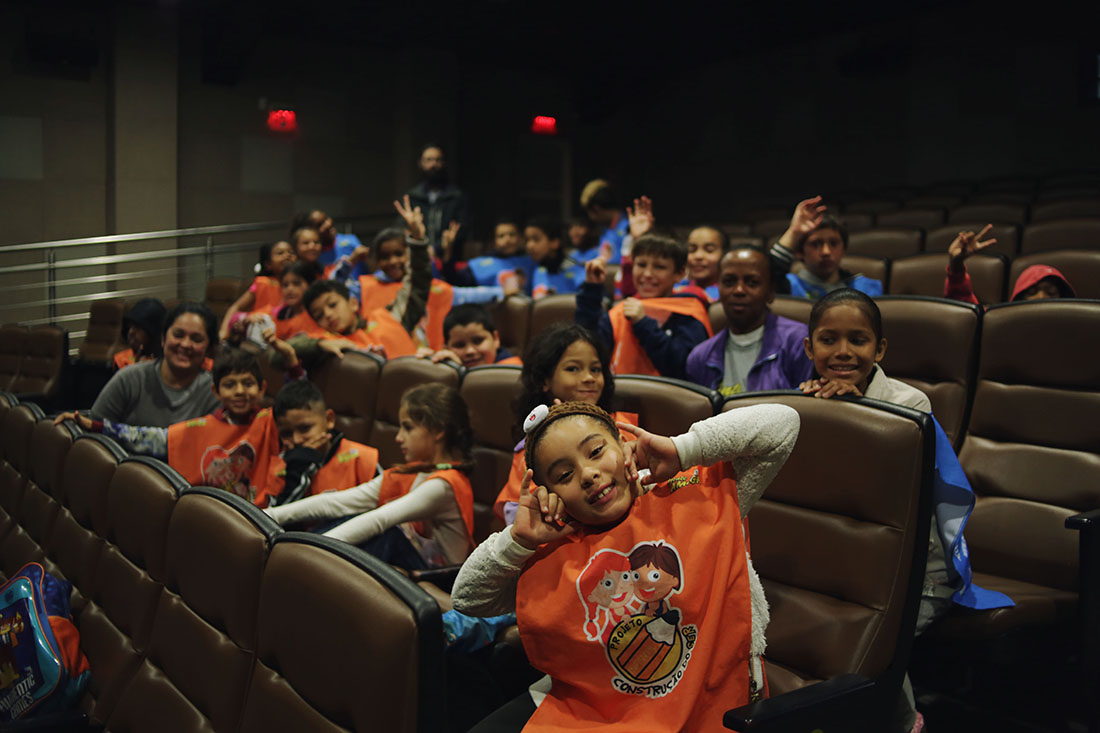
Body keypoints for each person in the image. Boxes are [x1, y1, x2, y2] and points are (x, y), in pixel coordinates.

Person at [452, 399, 800, 731]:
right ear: (549, 495)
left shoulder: (695, 495)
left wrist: (682, 449)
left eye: (595, 452)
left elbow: (783, 425)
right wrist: (517, 541)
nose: (588, 474)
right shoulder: (550, 546)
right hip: (590, 710)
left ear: (623, 445)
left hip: (710, 705)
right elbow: (468, 599)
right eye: (564, 474)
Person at [797, 288, 1013, 733]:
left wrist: (853, 409)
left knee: (864, 642)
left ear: (879, 349)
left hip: (916, 575)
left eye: (858, 340)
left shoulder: (911, 405)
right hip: (845, 571)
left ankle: (904, 724)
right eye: (828, 339)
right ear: (808, 347)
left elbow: (884, 497)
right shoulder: (805, 400)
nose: (842, 352)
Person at [265, 382, 475, 571]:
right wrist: (268, 516)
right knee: (348, 516)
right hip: (411, 565)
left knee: (387, 535)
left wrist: (310, 553)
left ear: (438, 430)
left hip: (437, 581)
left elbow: (380, 520)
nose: (398, 437)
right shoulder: (411, 472)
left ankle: (297, 570)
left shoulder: (444, 485)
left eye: (408, 427)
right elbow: (337, 502)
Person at [56, 345, 299, 503]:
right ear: (215, 391)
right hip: (209, 516)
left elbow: (301, 401)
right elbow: (147, 438)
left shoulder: (270, 421)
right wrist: (97, 426)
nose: (239, 391)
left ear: (262, 388)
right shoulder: (199, 429)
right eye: (229, 384)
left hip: (261, 518)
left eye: (248, 383)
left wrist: (294, 366)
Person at [492, 322, 638, 525]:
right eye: (573, 369)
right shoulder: (535, 447)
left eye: (595, 369)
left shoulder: (624, 425)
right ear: (545, 380)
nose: (589, 378)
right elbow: (518, 517)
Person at [284, 197, 432, 364]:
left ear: (353, 303)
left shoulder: (389, 317)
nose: (328, 315)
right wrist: (319, 345)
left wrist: (418, 240)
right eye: (319, 315)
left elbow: (417, 285)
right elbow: (280, 352)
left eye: (332, 304)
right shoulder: (327, 342)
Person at [575, 234, 711, 378]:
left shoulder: (689, 313)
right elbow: (589, 350)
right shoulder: (620, 312)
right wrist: (592, 288)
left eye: (659, 267)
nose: (647, 274)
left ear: (680, 273)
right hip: (620, 390)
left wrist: (643, 323)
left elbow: (683, 368)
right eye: (641, 265)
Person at [350, 227, 504, 350]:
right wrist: (349, 262)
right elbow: (340, 299)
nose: (393, 261)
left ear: (411, 253)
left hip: (430, 361)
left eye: (399, 254)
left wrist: (502, 292)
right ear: (376, 260)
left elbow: (468, 295)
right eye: (385, 257)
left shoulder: (431, 287)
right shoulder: (363, 286)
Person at [685, 247, 813, 395]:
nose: (739, 290)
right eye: (729, 282)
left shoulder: (799, 343)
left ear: (770, 291)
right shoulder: (700, 357)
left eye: (752, 283)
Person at [90, 302, 221, 428]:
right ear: (163, 339)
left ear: (209, 348)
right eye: (178, 335)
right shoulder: (129, 379)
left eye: (196, 339)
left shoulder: (215, 392)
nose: (185, 344)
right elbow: (92, 429)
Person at [257, 380, 380, 508]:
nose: (297, 440)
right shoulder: (280, 465)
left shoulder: (362, 459)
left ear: (329, 420)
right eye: (286, 433)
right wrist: (299, 467)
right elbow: (274, 515)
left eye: (305, 428)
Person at [768, 195, 883, 299]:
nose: (826, 252)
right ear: (800, 252)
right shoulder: (790, 286)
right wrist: (794, 232)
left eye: (834, 243)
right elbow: (769, 273)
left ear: (843, 249)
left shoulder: (864, 287)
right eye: (815, 244)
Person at [943, 223, 1077, 305]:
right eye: (1032, 292)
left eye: (1051, 292)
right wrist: (956, 263)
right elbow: (962, 303)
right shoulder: (999, 322)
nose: (1041, 298)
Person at [404, 143, 470, 264]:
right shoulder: (413, 197)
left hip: (450, 260)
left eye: (437, 160)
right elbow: (403, 228)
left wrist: (436, 249)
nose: (433, 164)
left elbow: (462, 229)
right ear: (421, 163)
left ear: (444, 163)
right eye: (428, 160)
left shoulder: (456, 196)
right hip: (419, 258)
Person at [218, 241, 296, 339]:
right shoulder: (262, 283)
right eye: (280, 253)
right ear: (268, 264)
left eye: (291, 252)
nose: (287, 256)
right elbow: (235, 307)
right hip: (261, 331)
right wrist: (223, 332)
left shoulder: (301, 283)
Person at [427, 304, 521, 368]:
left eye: (478, 341)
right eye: (459, 345)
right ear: (446, 348)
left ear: (495, 339)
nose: (470, 351)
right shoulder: (444, 367)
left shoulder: (513, 369)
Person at [466, 220, 534, 295]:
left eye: (512, 235)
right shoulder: (478, 265)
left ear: (520, 238)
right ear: (494, 241)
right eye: (501, 236)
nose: (507, 239)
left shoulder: (532, 261)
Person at [288, 208, 366, 275]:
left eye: (326, 218)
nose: (328, 224)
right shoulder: (313, 256)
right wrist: (351, 260)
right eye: (320, 225)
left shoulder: (351, 239)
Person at [527, 216, 584, 299]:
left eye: (536, 239)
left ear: (554, 242)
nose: (529, 245)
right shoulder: (538, 270)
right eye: (527, 240)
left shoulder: (574, 267)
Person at [578, 179, 629, 264]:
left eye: (590, 213)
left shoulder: (627, 227)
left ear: (596, 209)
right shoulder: (606, 229)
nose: (591, 218)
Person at [111, 298, 166, 370]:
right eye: (129, 326)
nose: (130, 332)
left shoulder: (169, 360)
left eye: (138, 327)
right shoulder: (122, 360)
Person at [681, 226, 728, 301]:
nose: (698, 256)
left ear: (724, 254)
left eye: (709, 250)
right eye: (692, 250)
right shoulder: (673, 287)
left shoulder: (727, 294)